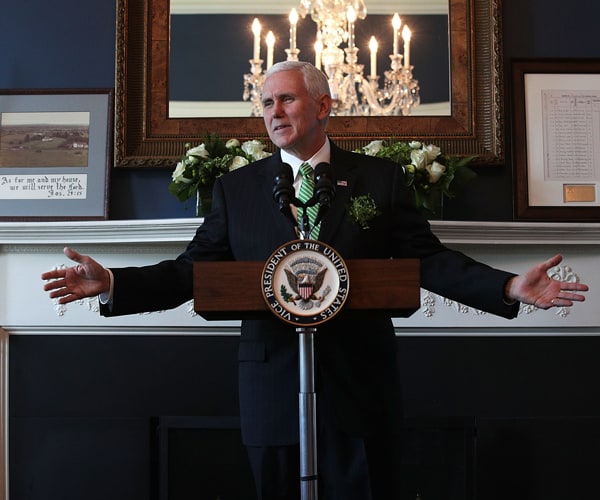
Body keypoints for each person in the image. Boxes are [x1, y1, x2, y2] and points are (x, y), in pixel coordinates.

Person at [41, 61, 588, 500]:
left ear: (324, 106)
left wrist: (509, 286)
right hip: (272, 389)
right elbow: (192, 272)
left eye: (287, 99)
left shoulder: (381, 179)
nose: (274, 112)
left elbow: (429, 260)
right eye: (266, 103)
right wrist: (113, 281)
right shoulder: (237, 190)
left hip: (360, 387)